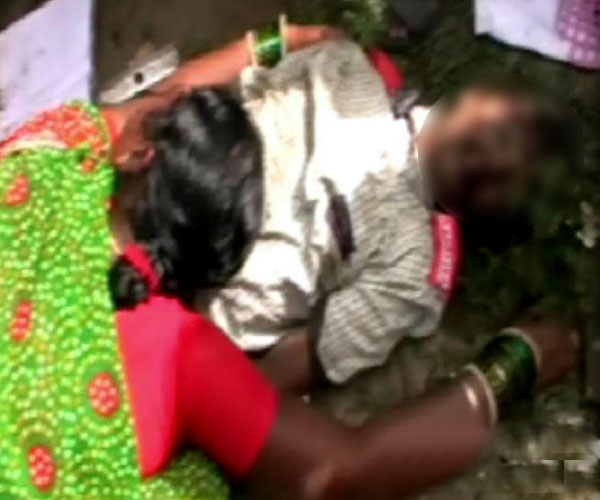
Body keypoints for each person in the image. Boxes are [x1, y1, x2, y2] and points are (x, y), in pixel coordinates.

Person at [0, 21, 577, 500]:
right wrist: (511, 366)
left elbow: (166, 102)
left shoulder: (56, 147)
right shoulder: (184, 356)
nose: (499, 146)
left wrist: (277, 41)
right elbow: (335, 468)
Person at [185, 35, 577, 392]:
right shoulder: (346, 64)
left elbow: (291, 367)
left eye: (509, 172)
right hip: (166, 156)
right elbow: (251, 53)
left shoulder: (410, 270)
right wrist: (158, 98)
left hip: (181, 298)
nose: (495, 152)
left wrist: (191, 397)